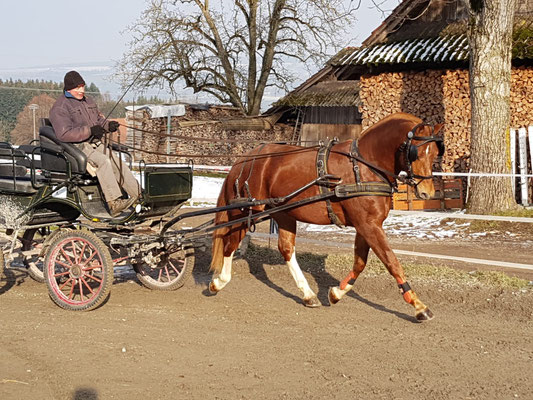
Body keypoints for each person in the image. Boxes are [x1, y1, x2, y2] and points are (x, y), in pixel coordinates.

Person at [49, 71, 140, 217]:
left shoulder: (88, 101)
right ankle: (114, 203)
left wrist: (107, 125)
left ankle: (139, 196)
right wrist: (89, 131)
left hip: (94, 143)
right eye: (77, 88)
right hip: (75, 147)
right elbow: (64, 134)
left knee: (117, 162)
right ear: (68, 89)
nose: (81, 91)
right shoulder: (60, 107)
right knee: (104, 162)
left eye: (83, 87)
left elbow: (98, 120)